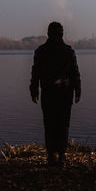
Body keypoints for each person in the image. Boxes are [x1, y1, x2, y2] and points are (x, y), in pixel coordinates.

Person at [29, 22, 81, 166]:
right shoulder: (68, 51)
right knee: (63, 124)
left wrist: (33, 90)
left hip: (48, 93)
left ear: (48, 33)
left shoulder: (41, 51)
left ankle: (52, 155)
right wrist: (78, 90)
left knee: (50, 124)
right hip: (64, 94)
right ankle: (61, 156)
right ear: (61, 34)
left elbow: (35, 74)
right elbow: (75, 74)